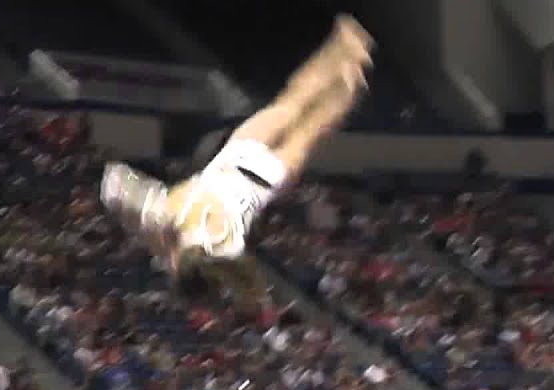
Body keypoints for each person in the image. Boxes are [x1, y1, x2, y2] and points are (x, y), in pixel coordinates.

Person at [101, 15, 374, 287]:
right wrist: (132, 212)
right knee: (290, 104)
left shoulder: (227, 252)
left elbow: (247, 285)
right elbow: (115, 184)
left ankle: (351, 81)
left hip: (265, 181)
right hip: (236, 159)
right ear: (175, 265)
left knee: (310, 131)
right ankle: (340, 45)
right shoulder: (169, 214)